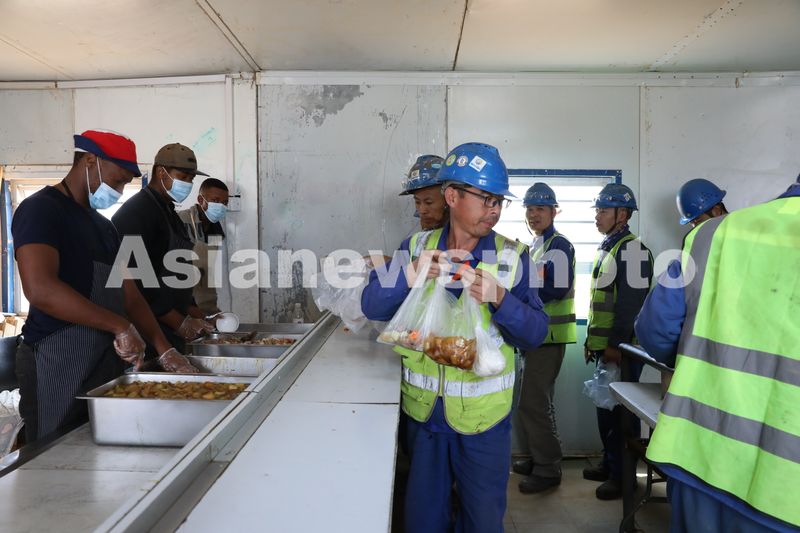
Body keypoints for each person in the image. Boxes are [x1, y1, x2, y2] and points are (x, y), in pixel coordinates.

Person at [363, 142, 549, 532]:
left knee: (481, 521)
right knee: (423, 521)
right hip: (424, 418)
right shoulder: (416, 247)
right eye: (486, 199)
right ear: (452, 197)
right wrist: (411, 273)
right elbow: (372, 305)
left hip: (484, 423)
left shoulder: (512, 257)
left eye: (499, 201)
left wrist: (500, 298)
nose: (495, 210)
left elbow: (535, 334)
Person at [634, 175, 800, 532]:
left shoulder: (709, 238)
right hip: (784, 489)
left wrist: (694, 354)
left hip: (699, 456)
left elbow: (654, 328)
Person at [11, 130, 196, 443]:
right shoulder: (41, 210)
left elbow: (130, 294)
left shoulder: (104, 226)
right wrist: (120, 326)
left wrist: (166, 350)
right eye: (118, 180)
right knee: (52, 451)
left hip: (101, 360)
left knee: (92, 446)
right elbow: (41, 289)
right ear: (89, 160)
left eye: (125, 184)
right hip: (55, 359)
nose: (120, 191)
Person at [583, 183, 653, 500]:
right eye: (597, 210)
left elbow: (630, 306)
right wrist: (593, 341)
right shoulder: (611, 247)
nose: (597, 216)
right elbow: (600, 303)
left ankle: (623, 477)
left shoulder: (633, 250)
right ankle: (611, 464)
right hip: (608, 348)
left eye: (603, 211)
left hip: (623, 351)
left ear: (621, 214)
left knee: (620, 415)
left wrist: (615, 345)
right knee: (606, 411)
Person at [112, 143, 215, 357]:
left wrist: (199, 315)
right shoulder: (137, 212)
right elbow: (137, 282)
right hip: (149, 331)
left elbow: (176, 272)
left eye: (191, 179)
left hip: (172, 325)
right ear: (161, 172)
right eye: (183, 177)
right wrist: (179, 322)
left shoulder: (168, 210)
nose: (188, 184)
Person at [512, 182, 576, 493]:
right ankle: (541, 459)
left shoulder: (559, 245)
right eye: (529, 209)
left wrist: (518, 294)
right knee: (537, 401)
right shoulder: (537, 244)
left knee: (532, 403)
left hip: (549, 336)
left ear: (554, 212)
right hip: (536, 336)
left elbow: (556, 288)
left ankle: (548, 468)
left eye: (540, 208)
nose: (533, 214)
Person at [636, 178, 731, 365]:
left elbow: (653, 327)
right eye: (693, 224)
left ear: (716, 211)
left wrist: (678, 359)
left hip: (704, 369)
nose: (696, 230)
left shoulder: (691, 260)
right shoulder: (761, 249)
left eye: (698, 222)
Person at [177, 177, 229, 316]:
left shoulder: (216, 229)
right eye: (215, 201)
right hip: (183, 305)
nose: (221, 206)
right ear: (201, 200)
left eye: (225, 203)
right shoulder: (181, 221)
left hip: (206, 303)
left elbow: (208, 272)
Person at [400, 155, 448, 231]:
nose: (422, 211)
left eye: (428, 202)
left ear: (449, 199)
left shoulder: (463, 236)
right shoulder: (418, 238)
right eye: (417, 202)